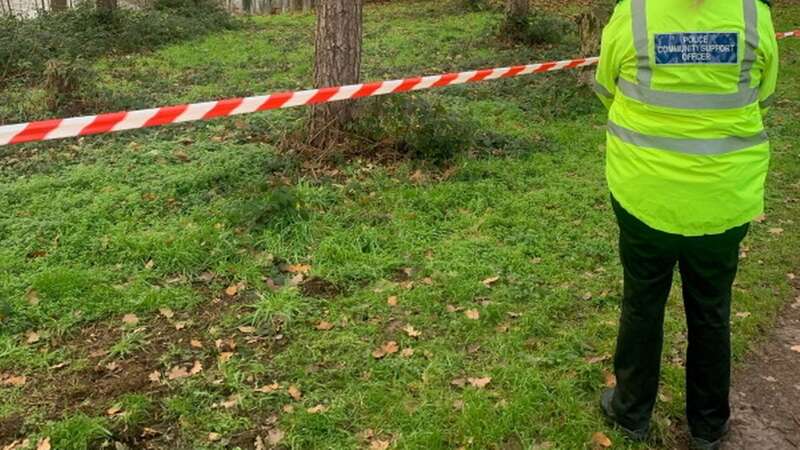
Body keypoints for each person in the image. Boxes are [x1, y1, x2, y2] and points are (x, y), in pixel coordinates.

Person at [592, 0, 779, 449]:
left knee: (642, 302)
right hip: (723, 197)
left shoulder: (633, 12)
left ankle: (631, 410)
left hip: (645, 192)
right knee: (711, 310)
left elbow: (606, 89)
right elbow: (764, 94)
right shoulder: (754, 14)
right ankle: (708, 427)